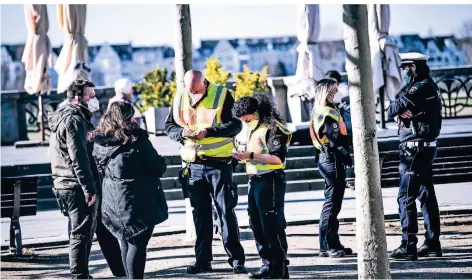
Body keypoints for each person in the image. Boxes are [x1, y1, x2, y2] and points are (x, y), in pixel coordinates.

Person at [164, 70, 247, 275]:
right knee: (200, 216)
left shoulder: (222, 94)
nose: (191, 94)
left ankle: (236, 260)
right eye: (188, 90)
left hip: (219, 163)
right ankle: (203, 261)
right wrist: (181, 132)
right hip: (193, 165)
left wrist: (207, 132)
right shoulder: (180, 96)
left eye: (195, 90)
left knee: (225, 212)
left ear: (204, 83)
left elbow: (235, 125)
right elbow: (169, 126)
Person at [91, 101, 168, 279]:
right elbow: (156, 166)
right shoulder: (135, 139)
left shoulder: (100, 141)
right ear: (127, 117)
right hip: (137, 199)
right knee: (137, 244)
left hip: (112, 199)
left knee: (125, 239)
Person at [387, 52, 443, 261]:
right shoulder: (430, 86)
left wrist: (399, 110)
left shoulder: (419, 87)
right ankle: (432, 243)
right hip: (424, 147)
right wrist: (401, 110)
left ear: (413, 67)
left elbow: (393, 107)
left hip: (414, 149)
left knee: (405, 196)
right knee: (426, 195)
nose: (403, 72)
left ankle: (408, 245)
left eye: (405, 68)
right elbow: (399, 108)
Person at [232, 93, 292, 279]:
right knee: (256, 224)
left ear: (255, 113)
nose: (244, 122)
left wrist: (251, 156)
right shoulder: (253, 128)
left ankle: (279, 268)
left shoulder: (273, 128)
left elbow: (277, 159)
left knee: (271, 225)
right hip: (255, 179)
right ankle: (267, 264)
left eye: (246, 118)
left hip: (270, 180)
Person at [49, 79, 100, 279]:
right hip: (74, 184)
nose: (94, 100)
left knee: (82, 231)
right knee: (81, 233)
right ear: (79, 97)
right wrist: (89, 188)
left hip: (64, 181)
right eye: (91, 96)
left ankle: (82, 274)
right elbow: (78, 157)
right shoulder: (74, 120)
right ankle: (79, 275)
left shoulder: (66, 116)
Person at [309, 78, 354, 258]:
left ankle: (333, 242)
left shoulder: (319, 110)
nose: (336, 92)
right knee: (332, 204)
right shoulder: (327, 112)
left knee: (334, 204)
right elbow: (331, 136)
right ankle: (327, 245)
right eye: (333, 90)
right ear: (326, 92)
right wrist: (345, 152)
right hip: (331, 159)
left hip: (326, 158)